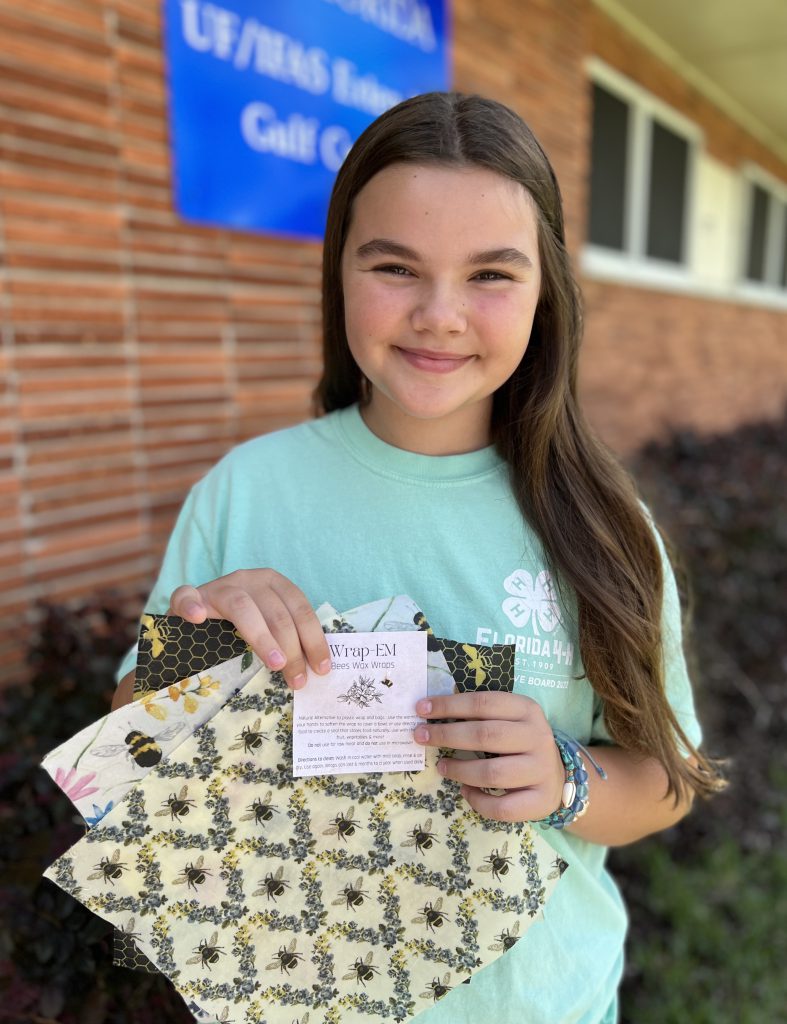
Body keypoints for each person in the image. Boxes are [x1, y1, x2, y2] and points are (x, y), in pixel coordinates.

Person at [112, 91, 722, 1023]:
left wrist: (563, 779)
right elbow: (131, 747)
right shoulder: (245, 490)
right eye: (395, 266)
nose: (439, 315)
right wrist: (202, 647)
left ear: (546, 292)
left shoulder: (604, 525)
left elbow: (667, 780)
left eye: (490, 274)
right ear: (339, 272)